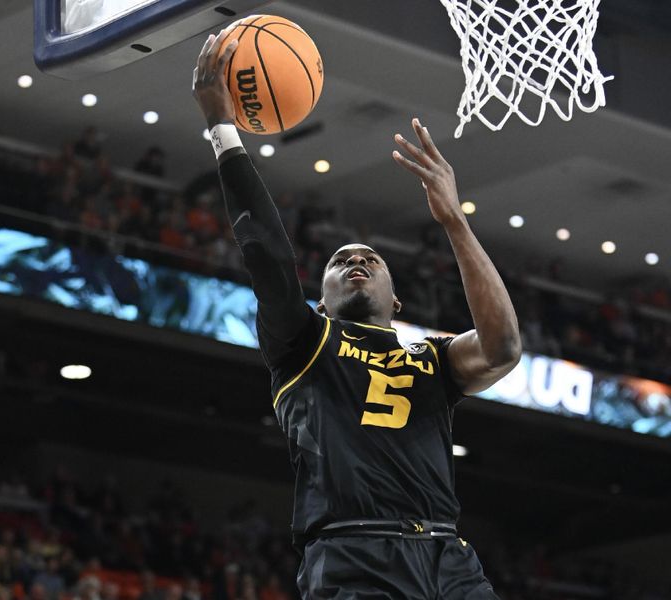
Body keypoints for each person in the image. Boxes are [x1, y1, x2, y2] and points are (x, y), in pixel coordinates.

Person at [192, 28, 522, 600]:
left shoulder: (434, 357)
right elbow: (268, 256)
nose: (357, 260)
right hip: (353, 554)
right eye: (341, 260)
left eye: (370, 258)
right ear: (320, 299)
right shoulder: (304, 343)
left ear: (398, 301)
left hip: (449, 560)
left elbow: (503, 349)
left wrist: (455, 222)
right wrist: (224, 132)